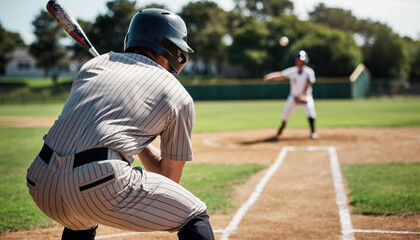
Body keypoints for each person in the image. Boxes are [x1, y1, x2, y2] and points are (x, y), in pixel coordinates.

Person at [26, 8, 215, 240]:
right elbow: (169, 180)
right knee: (195, 216)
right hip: (99, 184)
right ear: (174, 50)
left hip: (40, 182)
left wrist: (135, 140)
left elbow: (88, 125)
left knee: (81, 220)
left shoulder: (94, 65)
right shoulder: (178, 94)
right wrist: (139, 142)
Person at [263, 50, 318, 139]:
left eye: (301, 60)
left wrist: (303, 95)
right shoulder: (292, 71)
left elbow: (309, 84)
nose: (299, 61)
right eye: (298, 60)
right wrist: (269, 76)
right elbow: (281, 75)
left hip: (306, 97)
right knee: (285, 114)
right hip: (293, 97)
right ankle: (281, 128)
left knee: (311, 112)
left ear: (305, 61)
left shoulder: (309, 72)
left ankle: (313, 132)